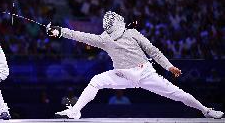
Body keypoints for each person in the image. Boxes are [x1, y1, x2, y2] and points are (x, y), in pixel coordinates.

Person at [46, 11, 224, 119]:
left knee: (177, 94)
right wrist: (60, 31)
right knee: (96, 81)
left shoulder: (132, 33)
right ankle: (75, 111)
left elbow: (152, 50)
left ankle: (206, 110)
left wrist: (168, 66)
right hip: (122, 76)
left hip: (146, 74)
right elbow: (81, 35)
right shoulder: (104, 39)